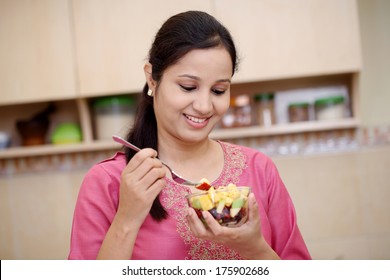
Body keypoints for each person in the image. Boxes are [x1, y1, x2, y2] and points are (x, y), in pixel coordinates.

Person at [68, 10, 311, 260]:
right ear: (152, 79)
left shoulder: (260, 170)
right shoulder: (107, 182)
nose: (205, 106)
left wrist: (253, 248)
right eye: (188, 87)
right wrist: (127, 218)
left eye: (218, 90)